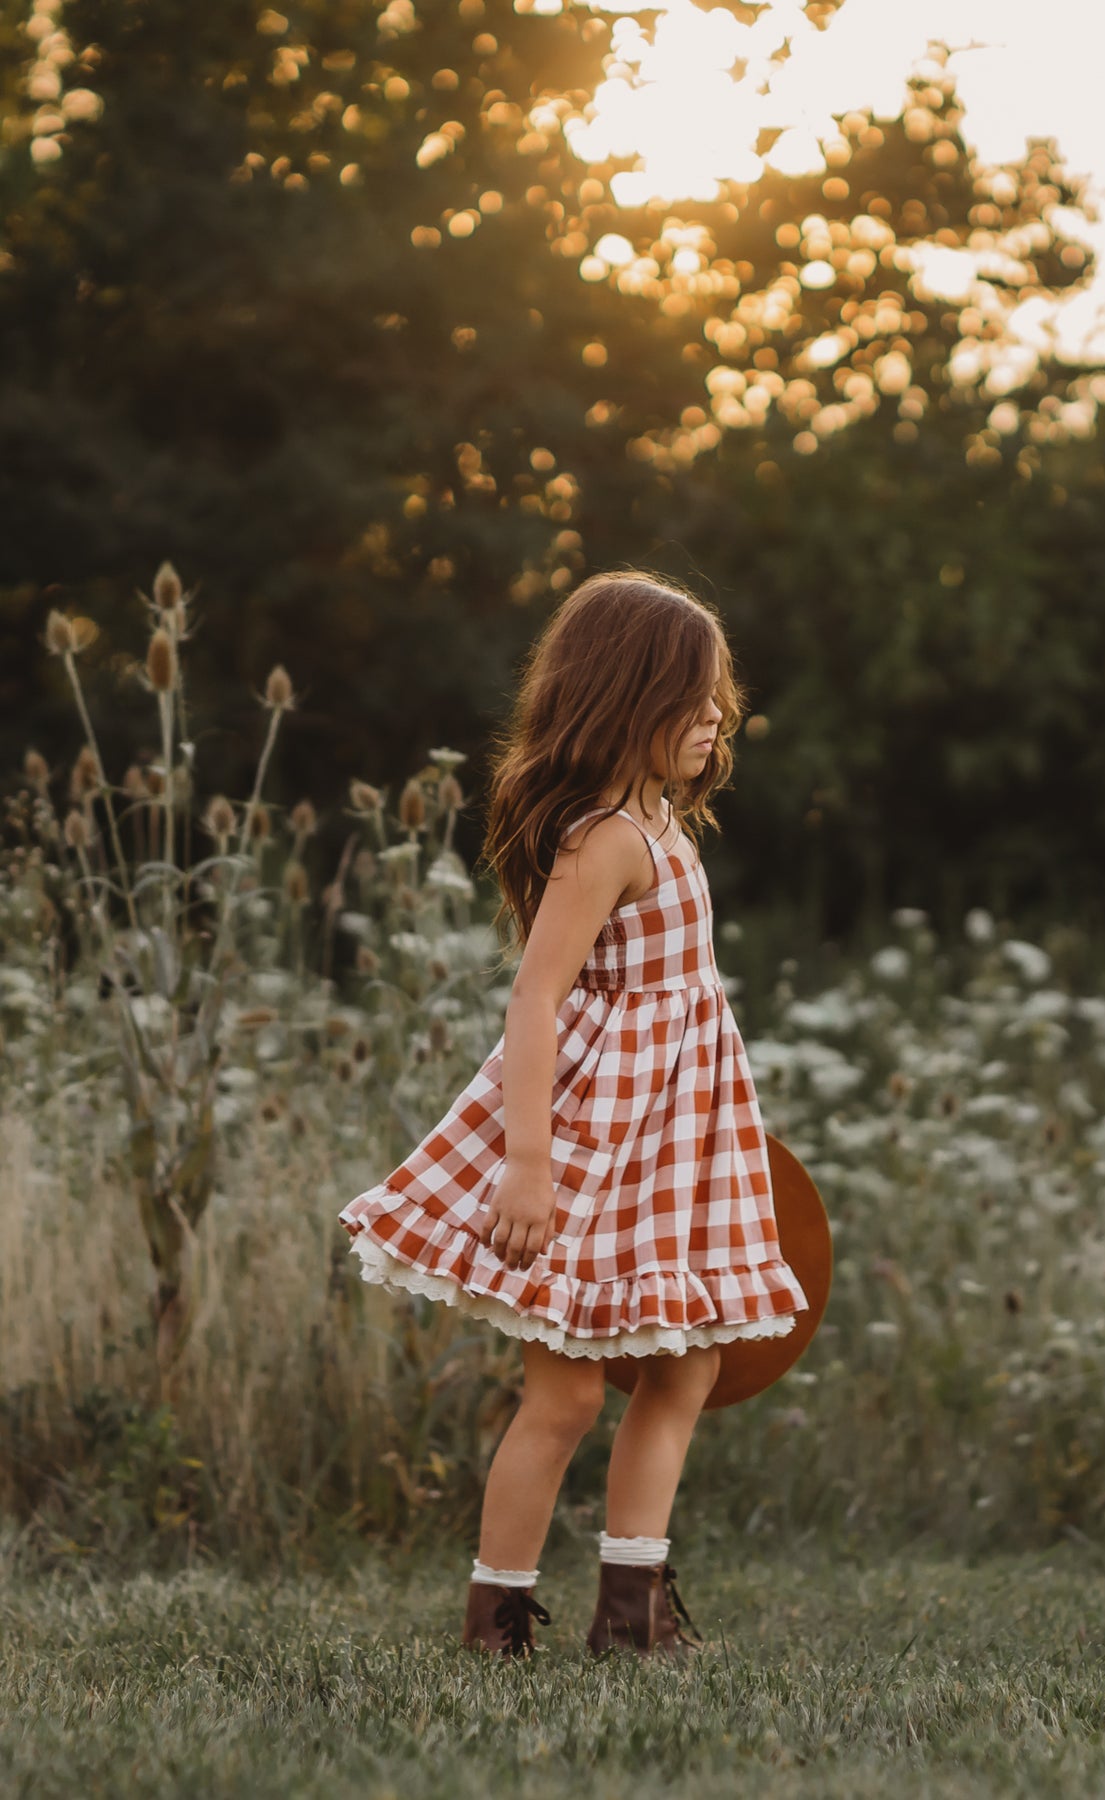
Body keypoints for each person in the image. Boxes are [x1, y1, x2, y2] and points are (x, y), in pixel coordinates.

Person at [338, 572, 809, 1658]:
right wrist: (529, 1166)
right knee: (565, 1397)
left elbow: (682, 1004)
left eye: (717, 701)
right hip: (598, 1146)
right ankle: (495, 1624)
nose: (715, 720)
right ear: (624, 699)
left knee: (684, 1367)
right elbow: (536, 997)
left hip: (671, 1143)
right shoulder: (604, 839)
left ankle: (632, 1614)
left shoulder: (662, 823)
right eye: (692, 701)